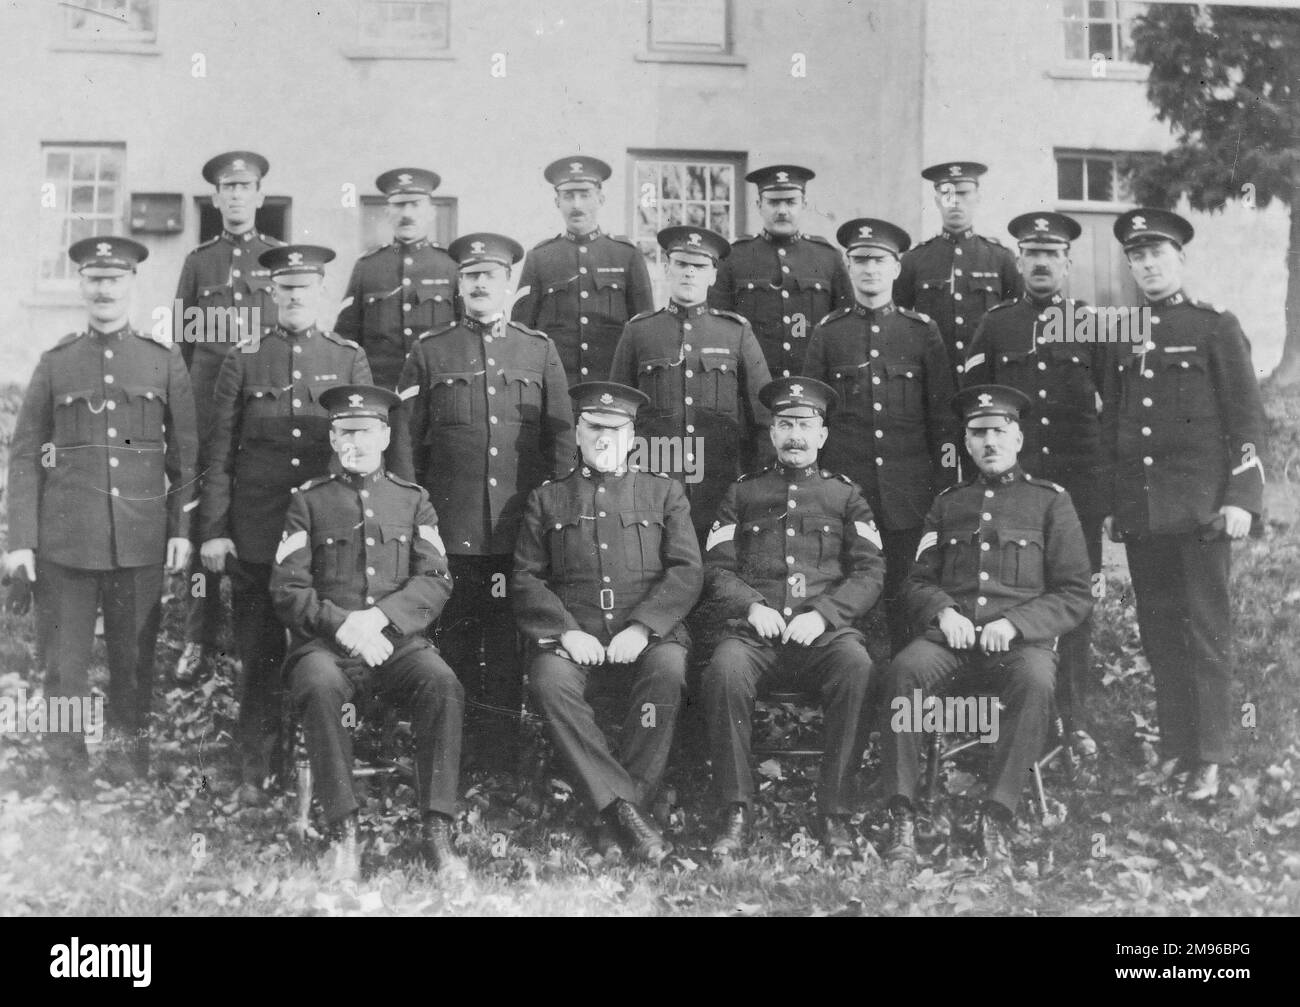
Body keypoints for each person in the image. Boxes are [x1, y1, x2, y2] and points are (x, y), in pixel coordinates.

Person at [5, 237, 197, 786]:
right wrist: (22, 539)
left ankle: (128, 760)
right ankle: (66, 767)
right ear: (82, 286)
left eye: (115, 279)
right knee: (64, 666)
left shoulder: (163, 361)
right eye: (94, 279)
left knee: (133, 663)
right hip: (66, 542)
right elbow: (24, 455)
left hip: (138, 542)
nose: (104, 289)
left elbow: (186, 456)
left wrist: (181, 529)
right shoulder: (56, 363)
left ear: (132, 284)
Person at [881, 385, 1092, 868]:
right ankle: (903, 816)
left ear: (1018, 438)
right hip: (950, 643)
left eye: (1000, 431)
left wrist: (1018, 623)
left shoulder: (1051, 503)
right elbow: (915, 581)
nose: (989, 442)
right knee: (901, 675)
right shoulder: (948, 503)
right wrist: (943, 612)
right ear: (967, 443)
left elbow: (1075, 592)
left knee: (1037, 681)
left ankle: (996, 815)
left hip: (1019, 647)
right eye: (979, 433)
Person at [1101, 208, 1266, 803]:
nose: (1147, 265)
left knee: (1205, 632)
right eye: (1137, 257)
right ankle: (1176, 747)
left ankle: (1212, 757)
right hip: (1146, 515)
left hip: (1202, 513)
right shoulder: (1120, 331)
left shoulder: (1215, 326)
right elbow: (1117, 422)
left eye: (1157, 255)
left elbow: (1247, 418)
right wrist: (1119, 505)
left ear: (1180, 259)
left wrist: (1242, 497)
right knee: (1160, 630)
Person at [270, 385, 465, 883]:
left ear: (384, 435)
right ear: (333, 440)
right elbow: (288, 589)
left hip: (396, 642)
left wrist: (379, 620)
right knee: (316, 684)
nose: (353, 442)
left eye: (364, 432)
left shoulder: (412, 500)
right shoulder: (308, 503)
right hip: (327, 647)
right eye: (343, 433)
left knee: (443, 683)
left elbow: (436, 578)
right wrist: (345, 625)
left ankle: (438, 828)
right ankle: (344, 830)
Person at [201, 244, 372, 805]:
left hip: (322, 540)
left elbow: (364, 452)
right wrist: (215, 528)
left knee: (323, 654)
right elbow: (220, 453)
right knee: (259, 654)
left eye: (305, 287)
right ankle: (258, 765)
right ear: (272, 293)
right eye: (285, 287)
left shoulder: (348, 358)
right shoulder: (244, 359)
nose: (295, 297)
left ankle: (326, 765)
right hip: (255, 536)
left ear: (321, 292)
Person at [396, 232, 574, 763]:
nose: (478, 284)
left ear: (508, 283)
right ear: (458, 282)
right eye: (470, 275)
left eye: (489, 275)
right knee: (450, 646)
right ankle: (454, 759)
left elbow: (562, 438)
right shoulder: (430, 351)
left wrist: (557, 522)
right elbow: (405, 443)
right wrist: (418, 525)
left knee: (504, 650)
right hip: (449, 535)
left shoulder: (538, 349)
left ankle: (498, 758)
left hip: (515, 537)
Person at [512, 382, 702, 863]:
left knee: (669, 672)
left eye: (615, 430)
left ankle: (618, 811)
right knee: (548, 681)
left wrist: (641, 629)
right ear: (577, 431)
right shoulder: (547, 499)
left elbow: (687, 571)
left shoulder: (664, 492)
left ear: (632, 436)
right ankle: (628, 815)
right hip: (575, 638)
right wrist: (566, 631)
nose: (604, 438)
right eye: (594, 427)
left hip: (648, 637)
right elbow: (526, 578)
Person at [701, 377, 884, 858]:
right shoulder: (742, 494)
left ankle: (835, 811)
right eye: (785, 424)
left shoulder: (846, 497)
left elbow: (870, 571)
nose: (796, 435)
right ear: (772, 432)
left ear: (823, 435)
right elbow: (715, 569)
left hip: (823, 637)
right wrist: (751, 605)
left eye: (806, 424)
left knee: (857, 667)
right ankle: (735, 809)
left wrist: (825, 615)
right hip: (755, 636)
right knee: (723, 670)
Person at [962, 211, 1107, 730]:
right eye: (1033, 254)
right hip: (1012, 491)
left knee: (1074, 600)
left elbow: (1113, 410)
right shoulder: (996, 324)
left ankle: (1075, 720)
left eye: (1052, 255)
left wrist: (1107, 496)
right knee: (1010, 591)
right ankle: (1016, 713)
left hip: (1079, 489)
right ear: (1018, 261)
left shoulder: (1091, 322)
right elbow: (973, 408)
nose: (1042, 263)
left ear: (1066, 263)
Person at [803, 218, 958, 653]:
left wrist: (943, 491)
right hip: (848, 494)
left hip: (910, 494)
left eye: (879, 260)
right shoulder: (828, 333)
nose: (870, 269)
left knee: (909, 596)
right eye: (860, 260)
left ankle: (903, 700)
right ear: (849, 268)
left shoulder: (921, 331)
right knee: (852, 601)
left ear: (896, 268)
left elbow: (943, 420)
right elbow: (814, 417)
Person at [173, 150, 283, 684]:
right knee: (202, 519)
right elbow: (184, 345)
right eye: (228, 187)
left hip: (261, 404)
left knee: (255, 512)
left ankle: (258, 636)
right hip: (209, 407)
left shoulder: (278, 258)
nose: (237, 195)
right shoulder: (199, 263)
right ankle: (199, 636)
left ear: (261, 196)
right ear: (215, 199)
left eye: (247, 186)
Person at [609, 226, 771, 542]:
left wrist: (754, 486)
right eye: (682, 264)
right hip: (654, 486)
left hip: (721, 488)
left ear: (713, 275)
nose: (689, 274)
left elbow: (763, 419)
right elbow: (617, 416)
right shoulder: (639, 332)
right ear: (667, 268)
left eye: (699, 267)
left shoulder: (735, 333)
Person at [511, 156, 654, 385]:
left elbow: (645, 329)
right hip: (557, 387)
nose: (576, 205)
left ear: (600, 199)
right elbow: (521, 333)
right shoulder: (539, 257)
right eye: (568, 196)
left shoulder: (627, 255)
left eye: (585, 195)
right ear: (557, 201)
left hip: (613, 385)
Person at [709, 165, 851, 378]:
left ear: (804, 205)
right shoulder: (734, 256)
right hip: (752, 383)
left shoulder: (828, 257)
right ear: (759, 205)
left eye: (791, 202)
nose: (782, 210)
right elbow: (718, 327)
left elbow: (843, 326)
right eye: (774, 202)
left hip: (812, 383)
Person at [894, 161, 1022, 381]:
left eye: (963, 194)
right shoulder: (914, 260)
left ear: (977, 198)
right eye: (947, 194)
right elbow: (898, 325)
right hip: (933, 380)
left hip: (988, 378)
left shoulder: (1001, 258)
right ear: (936, 201)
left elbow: (1017, 322)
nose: (955, 202)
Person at [334, 168, 458, 390]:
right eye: (399, 205)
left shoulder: (451, 265)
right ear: (387, 211)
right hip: (382, 392)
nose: (407, 213)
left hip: (437, 389)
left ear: (432, 212)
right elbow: (346, 340)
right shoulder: (367, 267)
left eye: (416, 204)